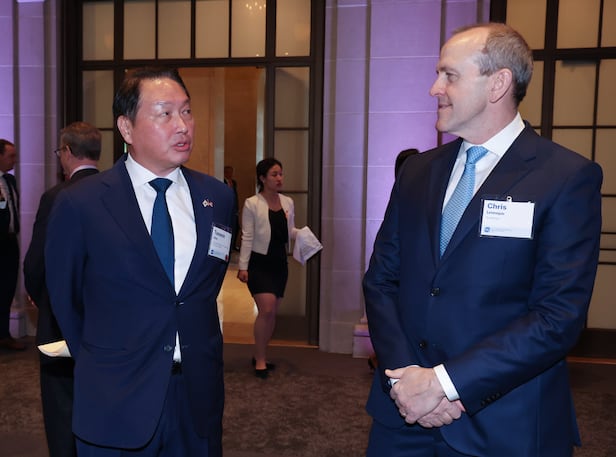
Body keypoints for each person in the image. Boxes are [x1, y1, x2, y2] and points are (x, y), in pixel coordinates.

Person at [363, 23, 602, 457]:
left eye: (450, 75)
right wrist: (406, 380)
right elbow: (381, 280)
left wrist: (444, 383)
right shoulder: (417, 172)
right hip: (403, 415)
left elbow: (557, 316)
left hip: (504, 424)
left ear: (498, 83)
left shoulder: (565, 178)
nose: (434, 88)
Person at [44, 67, 235, 457]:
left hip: (196, 397)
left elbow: (203, 288)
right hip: (115, 398)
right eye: (165, 113)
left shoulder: (217, 197)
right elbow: (65, 299)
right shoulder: (81, 203)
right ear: (126, 128)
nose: (182, 125)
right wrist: (105, 360)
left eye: (186, 111)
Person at [24, 121, 102, 457]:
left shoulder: (57, 197)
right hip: (107, 317)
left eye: (59, 152)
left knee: (61, 400)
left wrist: (38, 294)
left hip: (60, 318)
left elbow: (37, 261)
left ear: (67, 152)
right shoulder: (121, 194)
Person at [237, 158, 297, 379]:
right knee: (267, 309)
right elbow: (247, 236)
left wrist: (304, 237)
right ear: (262, 178)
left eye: (280, 173)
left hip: (279, 262)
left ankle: (260, 353)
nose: (279, 178)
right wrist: (243, 266)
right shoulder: (252, 203)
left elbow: (289, 231)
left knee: (272, 314)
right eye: (274, 174)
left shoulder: (288, 202)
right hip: (259, 262)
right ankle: (260, 360)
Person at [0, 139, 25, 351]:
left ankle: (4, 334)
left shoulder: (10, 180)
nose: (15, 160)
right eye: (11, 156)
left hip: (10, 242)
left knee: (7, 288)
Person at [224, 165, 240, 250]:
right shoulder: (222, 181)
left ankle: (233, 245)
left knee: (237, 227)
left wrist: (237, 207)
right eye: (228, 172)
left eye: (231, 172)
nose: (230, 174)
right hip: (226, 207)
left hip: (234, 208)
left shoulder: (234, 182)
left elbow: (235, 195)